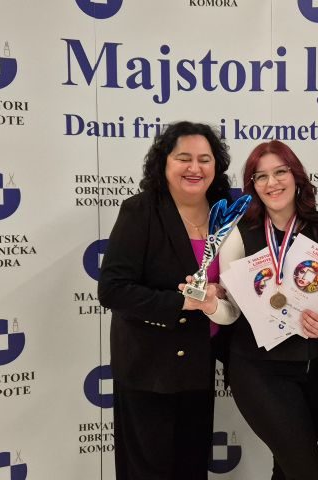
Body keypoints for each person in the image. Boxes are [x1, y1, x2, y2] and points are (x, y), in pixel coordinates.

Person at [98, 121, 240, 480]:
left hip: (198, 366)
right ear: (163, 163)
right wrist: (180, 303)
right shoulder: (141, 210)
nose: (195, 168)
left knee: (191, 469)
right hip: (148, 369)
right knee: (148, 472)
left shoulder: (223, 214)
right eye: (183, 158)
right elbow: (112, 289)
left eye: (205, 159)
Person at [217, 140, 318, 480]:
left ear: (296, 176)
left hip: (316, 370)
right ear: (252, 185)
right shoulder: (238, 234)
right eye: (261, 176)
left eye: (280, 172)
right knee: (305, 473)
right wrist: (211, 305)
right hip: (259, 371)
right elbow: (230, 310)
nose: (272, 183)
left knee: (286, 470)